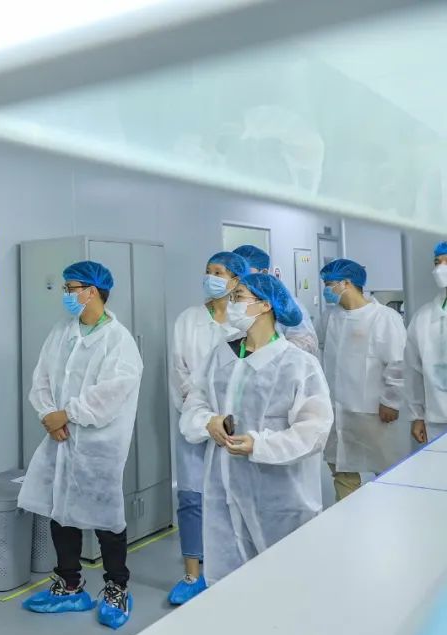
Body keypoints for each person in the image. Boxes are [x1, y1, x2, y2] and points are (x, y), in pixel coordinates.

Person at [180, 273, 332, 584]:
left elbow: (314, 430)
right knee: (230, 582)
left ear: (264, 305)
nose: (231, 304)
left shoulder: (297, 364)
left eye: (238, 297)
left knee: (285, 582)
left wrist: (259, 445)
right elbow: (194, 402)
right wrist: (207, 421)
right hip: (223, 489)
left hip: (280, 498)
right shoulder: (221, 355)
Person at [19, 261, 143, 629]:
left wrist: (67, 414)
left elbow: (112, 394)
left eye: (70, 288)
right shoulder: (62, 331)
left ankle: (117, 588)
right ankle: (69, 585)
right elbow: (41, 378)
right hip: (60, 437)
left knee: (107, 518)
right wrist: (49, 414)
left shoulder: (118, 340)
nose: (66, 294)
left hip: (99, 445)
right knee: (61, 510)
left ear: (92, 291)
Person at [167, 250, 249, 605]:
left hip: (236, 425)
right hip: (194, 421)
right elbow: (179, 371)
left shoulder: (245, 320)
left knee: (233, 496)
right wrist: (201, 413)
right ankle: (192, 574)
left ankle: (232, 567)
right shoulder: (188, 320)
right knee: (191, 497)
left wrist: (228, 416)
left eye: (219, 272)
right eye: (208, 271)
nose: (211, 278)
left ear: (235, 280)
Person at [320, 258, 408, 501]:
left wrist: (391, 401)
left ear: (347, 283)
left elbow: (398, 364)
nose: (326, 289)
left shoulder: (384, 317)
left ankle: (393, 513)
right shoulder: (329, 317)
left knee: (386, 469)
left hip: (373, 411)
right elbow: (321, 351)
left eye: (329, 284)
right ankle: (348, 515)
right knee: (342, 470)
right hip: (338, 409)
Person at [233, 244, 320, 357]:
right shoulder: (230, 302)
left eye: (244, 272)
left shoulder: (283, 303)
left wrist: (270, 353)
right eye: (234, 273)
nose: (238, 278)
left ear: (263, 272)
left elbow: (307, 342)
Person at [406, 242, 447, 446]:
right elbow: (413, 371)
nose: (441, 268)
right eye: (437, 262)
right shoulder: (423, 317)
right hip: (437, 419)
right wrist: (417, 416)